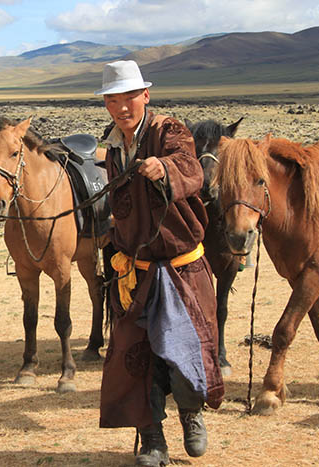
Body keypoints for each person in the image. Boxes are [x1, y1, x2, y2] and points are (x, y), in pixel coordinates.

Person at [96, 60, 224, 466]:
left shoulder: (169, 130)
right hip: (136, 270)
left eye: (129, 97)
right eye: (113, 100)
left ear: (145, 96)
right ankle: (152, 438)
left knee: (183, 351)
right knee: (134, 356)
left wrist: (164, 167)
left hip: (182, 268)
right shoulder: (112, 144)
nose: (122, 107)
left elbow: (190, 169)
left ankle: (191, 413)